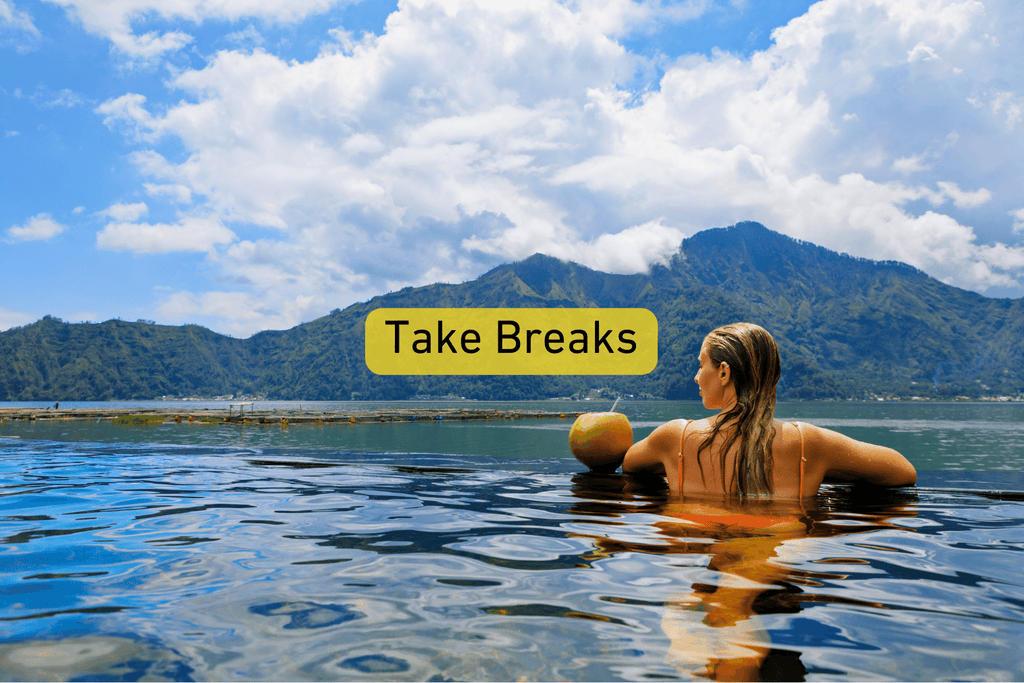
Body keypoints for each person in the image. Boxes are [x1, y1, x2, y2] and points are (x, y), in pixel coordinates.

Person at [622, 322, 917, 498]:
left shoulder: (676, 438)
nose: (696, 377)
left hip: (699, 543)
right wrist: (829, 475)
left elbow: (630, 465)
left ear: (724, 373)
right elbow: (902, 471)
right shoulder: (808, 444)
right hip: (776, 555)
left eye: (701, 365)